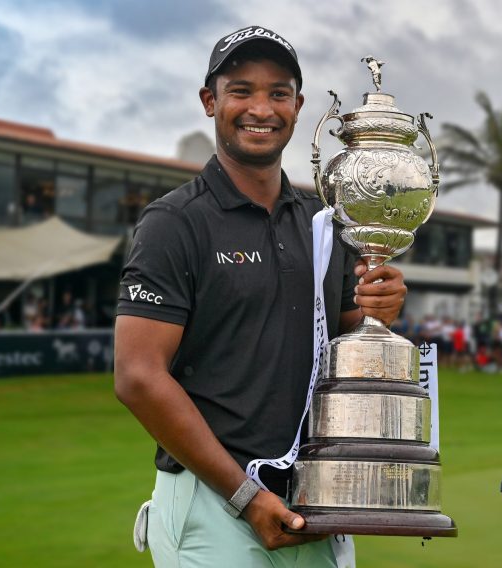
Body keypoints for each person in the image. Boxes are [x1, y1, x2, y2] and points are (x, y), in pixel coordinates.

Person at [113, 25, 406, 568]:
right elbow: (138, 376)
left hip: (316, 499)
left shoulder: (325, 224)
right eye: (241, 90)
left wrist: (380, 310)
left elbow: (345, 348)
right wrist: (245, 497)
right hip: (216, 505)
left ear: (297, 105)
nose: (260, 109)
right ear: (210, 101)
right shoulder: (175, 222)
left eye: (277, 93)